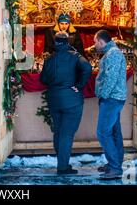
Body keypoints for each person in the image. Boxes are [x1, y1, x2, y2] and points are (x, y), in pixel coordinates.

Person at [40, 31, 92, 175]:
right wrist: (80, 85)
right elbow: (88, 68)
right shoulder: (75, 56)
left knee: (58, 131)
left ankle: (61, 162)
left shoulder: (49, 59)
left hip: (54, 99)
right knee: (67, 134)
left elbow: (43, 79)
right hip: (72, 100)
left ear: (55, 42)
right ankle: (62, 167)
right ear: (67, 41)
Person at [94, 30, 127, 180]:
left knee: (103, 132)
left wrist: (104, 95)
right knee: (114, 132)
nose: (95, 45)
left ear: (101, 42)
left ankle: (115, 167)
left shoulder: (113, 54)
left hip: (112, 99)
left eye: (95, 42)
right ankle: (116, 163)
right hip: (114, 98)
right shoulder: (112, 53)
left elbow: (111, 78)